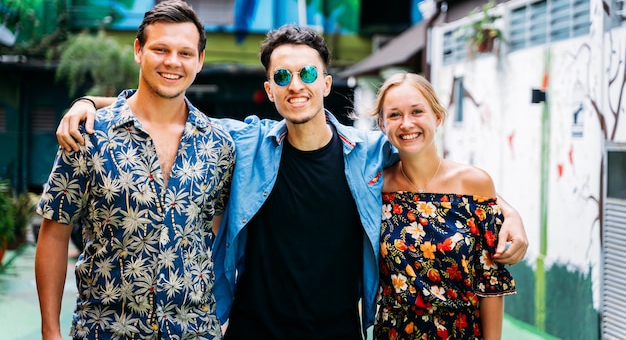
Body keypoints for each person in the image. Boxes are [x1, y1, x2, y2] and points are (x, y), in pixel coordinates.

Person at [54, 25, 528, 340]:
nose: (295, 83)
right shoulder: (245, 141)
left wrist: (507, 210)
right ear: (270, 87)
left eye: (307, 73)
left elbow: (436, 174)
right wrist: (92, 104)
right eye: (283, 75)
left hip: (339, 331)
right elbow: (164, 111)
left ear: (325, 83)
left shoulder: (369, 151)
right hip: (251, 331)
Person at [35, 0, 236, 340]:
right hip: (106, 330)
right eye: (160, 49)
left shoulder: (219, 145)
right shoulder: (88, 135)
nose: (172, 62)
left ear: (200, 61)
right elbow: (54, 235)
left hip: (194, 332)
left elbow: (220, 237)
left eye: (185, 53)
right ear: (138, 51)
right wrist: (51, 333)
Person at [371, 72, 515, 340]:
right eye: (394, 115)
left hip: (461, 332)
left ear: (437, 117)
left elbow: (490, 281)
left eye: (417, 111)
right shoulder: (375, 187)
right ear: (381, 124)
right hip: (394, 332)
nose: (406, 123)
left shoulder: (474, 184)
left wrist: (511, 212)